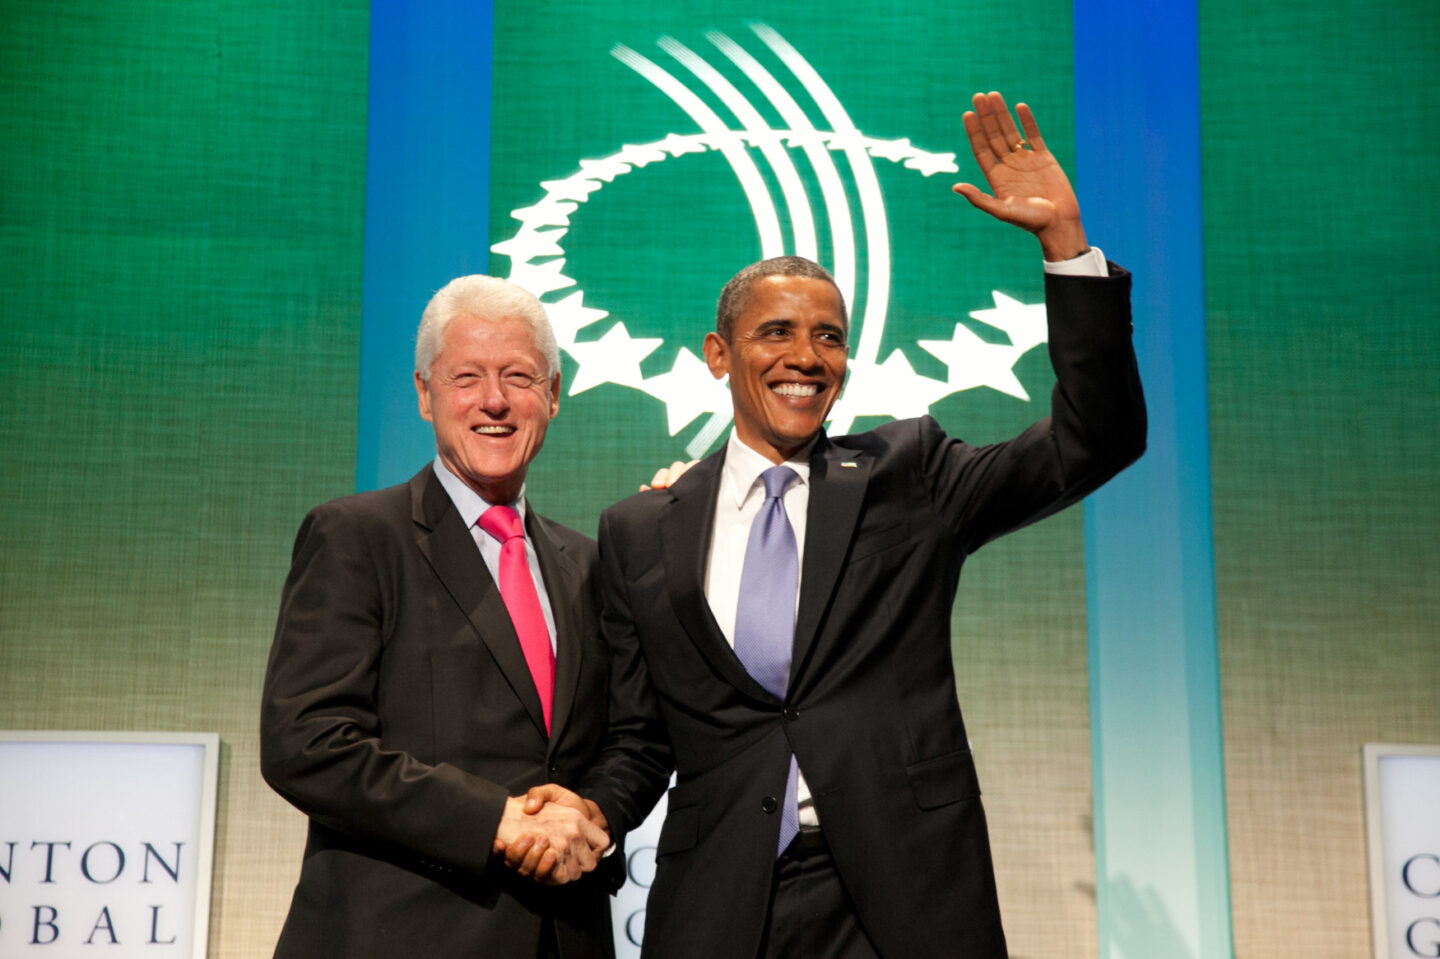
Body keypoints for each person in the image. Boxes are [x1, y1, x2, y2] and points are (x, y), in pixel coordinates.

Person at [565, 92, 1149, 958]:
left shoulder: (907, 475)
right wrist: (588, 814)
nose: (806, 357)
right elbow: (643, 736)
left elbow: (1091, 440)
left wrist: (1065, 248)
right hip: (721, 902)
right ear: (718, 355)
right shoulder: (642, 528)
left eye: (829, 337)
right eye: (776, 333)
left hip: (900, 895)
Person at [260, 275, 618, 959]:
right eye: (467, 377)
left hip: (563, 936)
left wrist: (590, 814)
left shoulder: (589, 564)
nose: (494, 400)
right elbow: (306, 741)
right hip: (397, 935)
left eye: (518, 376)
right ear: (425, 393)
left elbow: (622, 739)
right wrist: (495, 821)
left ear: (554, 393)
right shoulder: (358, 537)